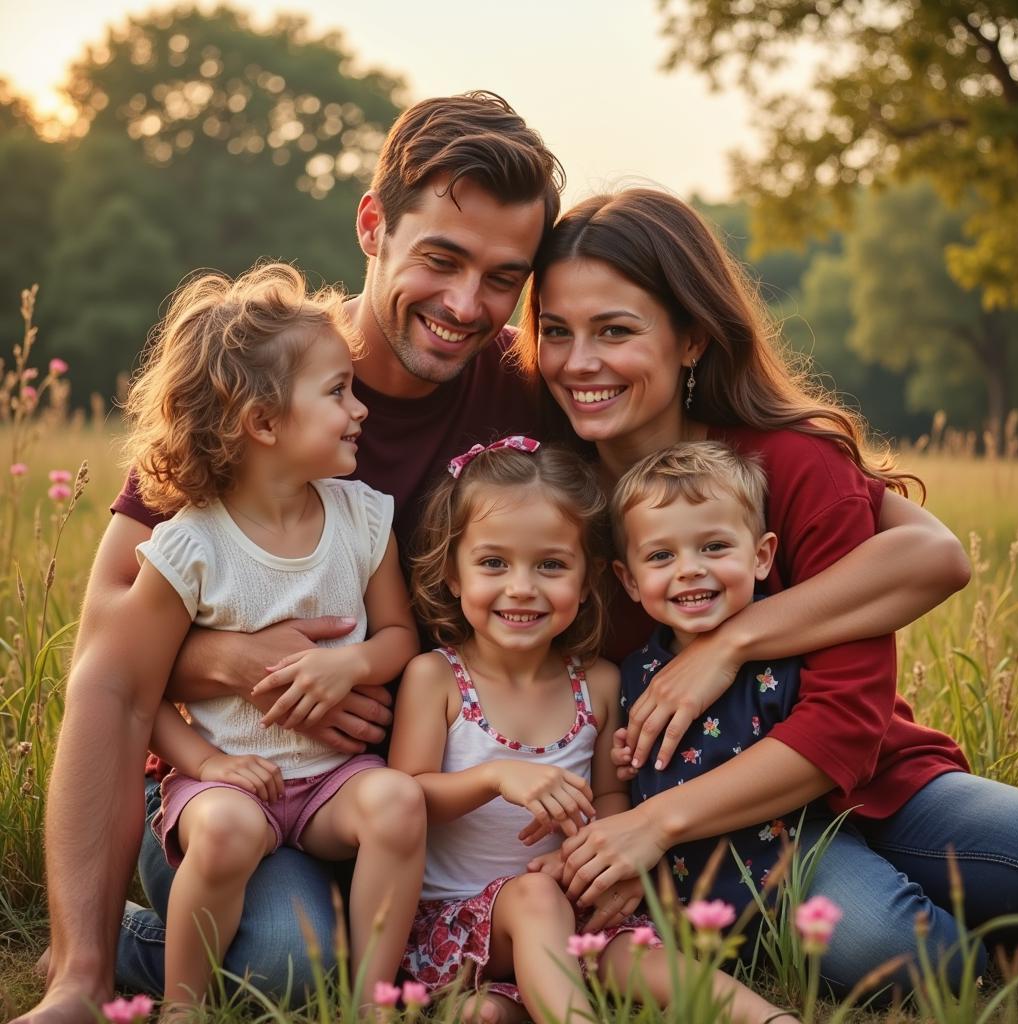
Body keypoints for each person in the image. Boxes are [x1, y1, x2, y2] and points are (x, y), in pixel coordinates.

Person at [21, 91, 560, 1024]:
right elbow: (109, 670)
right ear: (372, 225)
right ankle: (92, 964)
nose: (468, 305)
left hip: (384, 800)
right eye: (441, 259)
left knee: (315, 952)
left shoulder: (528, 399)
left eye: (504, 278)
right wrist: (223, 658)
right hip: (229, 779)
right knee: (282, 964)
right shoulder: (257, 384)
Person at [513, 187, 1018, 993]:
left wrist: (731, 642)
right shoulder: (549, 516)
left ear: (690, 339)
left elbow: (849, 720)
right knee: (896, 953)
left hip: (878, 785)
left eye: (615, 330)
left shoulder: (784, 465)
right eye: (556, 332)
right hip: (725, 838)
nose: (580, 363)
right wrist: (630, 831)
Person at [390, 438, 798, 1024]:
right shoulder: (436, 678)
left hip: (573, 904)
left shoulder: (599, 684)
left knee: (632, 959)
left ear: (586, 583)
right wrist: (496, 776)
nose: (522, 587)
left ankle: (771, 1019)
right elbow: (407, 799)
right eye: (493, 563)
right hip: (456, 923)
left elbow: (610, 797)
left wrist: (592, 859)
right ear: (452, 575)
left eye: (551, 565)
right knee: (528, 907)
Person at [122, 262, 425, 1015]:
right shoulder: (190, 544)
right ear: (262, 422)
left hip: (330, 784)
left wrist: (350, 663)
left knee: (396, 804)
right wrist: (210, 762)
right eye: (337, 393)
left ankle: (371, 1002)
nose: (360, 409)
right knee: (224, 830)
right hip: (225, 784)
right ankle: (185, 1003)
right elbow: (142, 687)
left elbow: (399, 639)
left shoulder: (362, 519)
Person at [609, 440, 822, 908]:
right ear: (629, 580)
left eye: (715, 547)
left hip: (792, 879)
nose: (690, 569)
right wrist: (625, 761)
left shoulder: (785, 651)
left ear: (762, 556)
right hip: (683, 895)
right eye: (661, 556)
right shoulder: (634, 672)